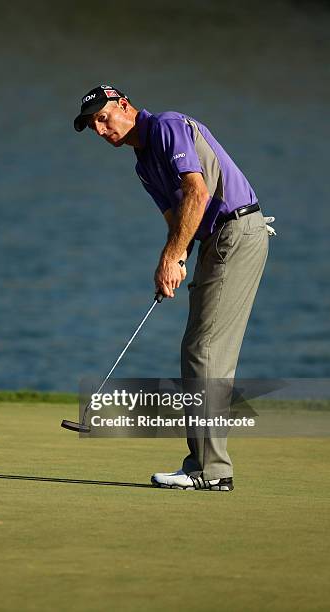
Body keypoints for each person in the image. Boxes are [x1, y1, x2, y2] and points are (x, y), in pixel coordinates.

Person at [74, 85, 274, 492]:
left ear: (125, 107)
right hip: (215, 240)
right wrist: (175, 256)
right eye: (92, 125)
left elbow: (198, 192)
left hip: (236, 230)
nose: (100, 129)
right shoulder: (142, 164)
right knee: (199, 350)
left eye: (103, 117)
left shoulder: (166, 126)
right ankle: (206, 466)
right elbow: (177, 218)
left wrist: (173, 256)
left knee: (205, 351)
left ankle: (210, 470)